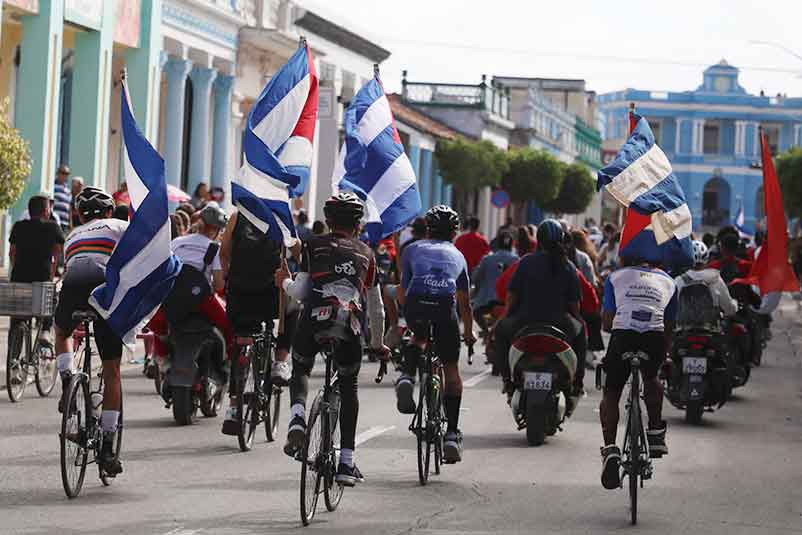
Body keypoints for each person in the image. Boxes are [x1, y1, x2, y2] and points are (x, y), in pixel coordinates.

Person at [276, 192, 389, 485]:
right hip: (348, 324)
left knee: (300, 368)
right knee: (348, 386)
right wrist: (377, 343)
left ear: (327, 220)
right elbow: (376, 309)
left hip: (312, 320)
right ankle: (346, 463)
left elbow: (299, 293)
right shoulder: (367, 253)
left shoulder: (312, 245)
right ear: (358, 223)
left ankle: (298, 417)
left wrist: (284, 282)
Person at [395, 205, 476, 464]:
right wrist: (468, 333)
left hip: (417, 303)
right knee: (451, 369)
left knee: (418, 336)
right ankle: (451, 434)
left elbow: (403, 289)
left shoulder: (411, 249)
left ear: (427, 229)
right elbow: (464, 303)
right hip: (445, 309)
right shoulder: (459, 256)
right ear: (455, 232)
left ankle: (407, 375)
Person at [55, 187, 127, 476]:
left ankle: (67, 380)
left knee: (61, 332)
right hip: (105, 291)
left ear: (79, 214)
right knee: (112, 371)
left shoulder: (73, 234)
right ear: (109, 212)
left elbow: (67, 266)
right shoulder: (121, 227)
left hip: (74, 289)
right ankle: (108, 445)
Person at [598, 254, 677, 490]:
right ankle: (654, 433)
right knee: (651, 377)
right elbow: (670, 324)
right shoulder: (668, 281)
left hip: (623, 337)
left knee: (611, 393)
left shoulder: (615, 277)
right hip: (654, 339)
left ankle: (611, 449)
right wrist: (666, 351)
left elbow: (606, 322)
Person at [492, 220, 587, 402]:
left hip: (523, 321)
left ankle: (506, 379)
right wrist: (578, 320)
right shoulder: (567, 266)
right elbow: (575, 305)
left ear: (539, 239)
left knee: (500, 333)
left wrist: (506, 315)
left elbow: (512, 295)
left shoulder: (526, 262)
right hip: (560, 323)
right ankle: (578, 382)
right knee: (581, 335)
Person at [219, 209, 294, 435]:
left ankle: (233, 407)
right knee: (292, 310)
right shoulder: (279, 214)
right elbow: (295, 250)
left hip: (239, 291)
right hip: (270, 292)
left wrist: (229, 279)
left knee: (240, 342)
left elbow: (224, 253)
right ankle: (280, 361)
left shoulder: (236, 217)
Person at [9, 194, 65, 344]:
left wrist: (17, 269)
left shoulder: (18, 226)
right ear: (46, 211)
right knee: (51, 299)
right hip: (42, 279)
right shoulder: (53, 227)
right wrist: (54, 274)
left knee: (17, 318)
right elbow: (58, 253)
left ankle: (13, 356)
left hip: (19, 280)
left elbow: (12, 252)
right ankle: (46, 331)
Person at [674, 241, 737, 325]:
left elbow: (672, 308)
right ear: (706, 258)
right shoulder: (716, 279)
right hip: (710, 329)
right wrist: (735, 305)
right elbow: (729, 309)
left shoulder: (678, 281)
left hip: (684, 329)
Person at [472, 230, 517, 334]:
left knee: (475, 312)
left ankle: (486, 332)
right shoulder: (517, 260)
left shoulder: (487, 259)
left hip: (486, 302)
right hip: (508, 301)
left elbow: (476, 278)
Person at [53, 164, 72, 233]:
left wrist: (70, 225)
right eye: (63, 173)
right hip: (55, 222)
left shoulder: (68, 190)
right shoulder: (52, 186)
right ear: (57, 173)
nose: (65, 176)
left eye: (67, 174)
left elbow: (69, 208)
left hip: (65, 224)